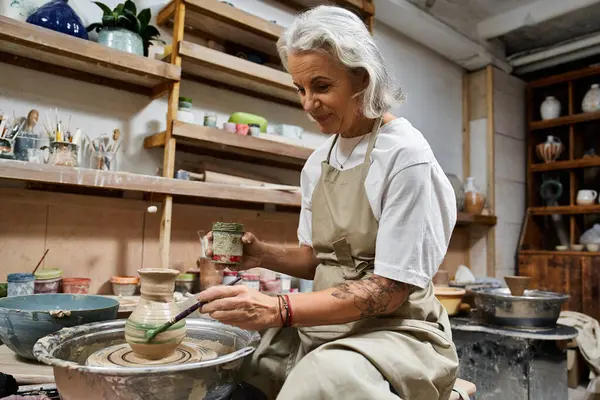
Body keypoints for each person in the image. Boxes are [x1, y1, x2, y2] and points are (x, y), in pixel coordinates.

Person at [199, 5, 459, 400]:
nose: (307, 103)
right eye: (300, 89)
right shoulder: (318, 163)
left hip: (398, 331)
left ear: (363, 78)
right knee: (235, 365)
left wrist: (279, 308)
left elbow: (388, 291)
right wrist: (261, 254)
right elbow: (316, 258)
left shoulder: (406, 157)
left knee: (323, 379)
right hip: (327, 324)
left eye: (321, 87)